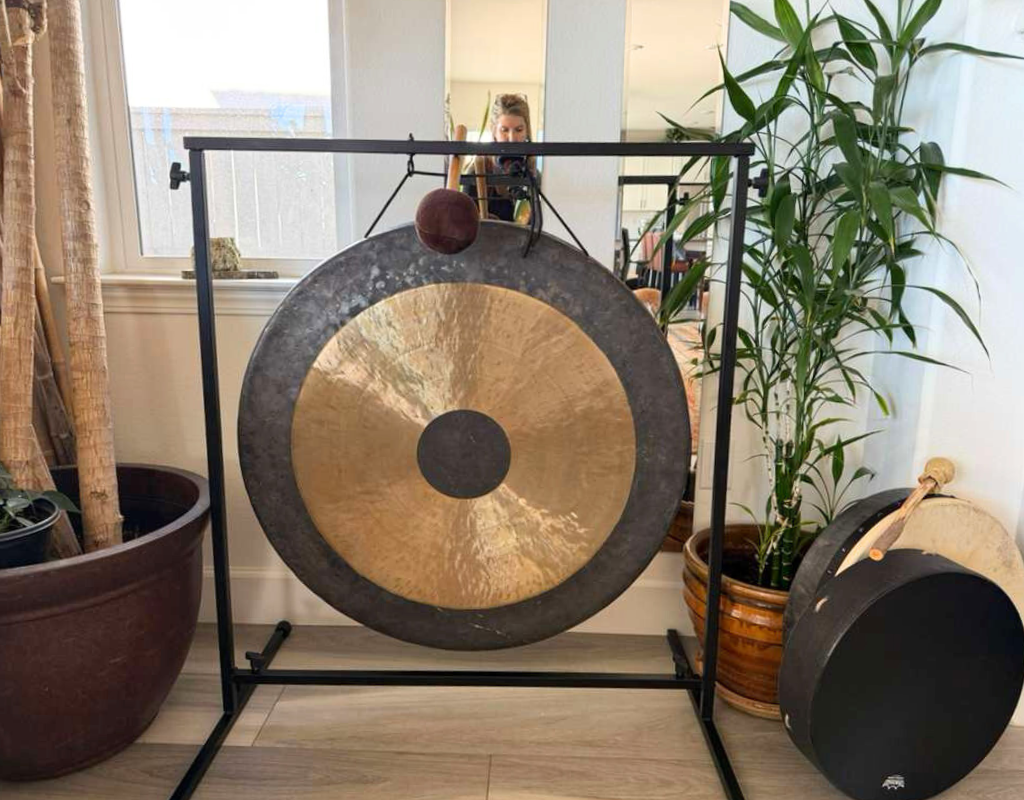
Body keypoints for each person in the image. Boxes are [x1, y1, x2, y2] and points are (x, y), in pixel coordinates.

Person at [468, 93, 538, 224]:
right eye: (504, 130)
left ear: (527, 131)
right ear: (494, 132)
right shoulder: (477, 171)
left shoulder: (534, 174)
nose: (511, 138)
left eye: (518, 130)